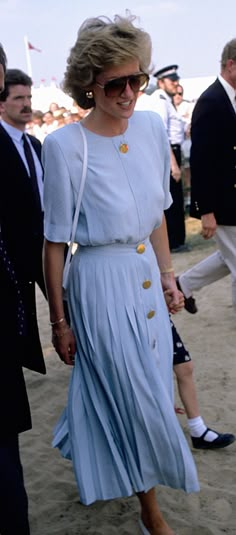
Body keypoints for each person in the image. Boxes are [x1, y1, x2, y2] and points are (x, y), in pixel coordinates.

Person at [42, 15, 199, 535]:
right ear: (89, 82)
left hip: (146, 279)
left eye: (138, 79)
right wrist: (59, 322)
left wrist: (170, 274)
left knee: (149, 384)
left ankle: (96, 445)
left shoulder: (153, 128)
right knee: (135, 396)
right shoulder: (65, 146)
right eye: (115, 83)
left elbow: (155, 214)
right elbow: (55, 241)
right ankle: (150, 511)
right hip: (99, 283)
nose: (129, 92)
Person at [0, 66, 46, 535]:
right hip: (12, 258)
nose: (26, 104)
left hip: (41, 251)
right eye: (18, 98)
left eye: (29, 96)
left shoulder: (36, 147)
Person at [177, 38, 236, 314]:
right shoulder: (211, 101)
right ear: (231, 65)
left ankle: (184, 284)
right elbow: (201, 161)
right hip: (224, 202)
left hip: (232, 199)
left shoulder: (230, 99)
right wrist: (206, 210)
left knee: (229, 257)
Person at [171, 319, 235, 449]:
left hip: (158, 316)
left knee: (185, 366)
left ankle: (197, 430)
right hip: (138, 316)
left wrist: (173, 298)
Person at [147, 65, 188, 253]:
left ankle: (177, 240)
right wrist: (173, 164)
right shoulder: (160, 100)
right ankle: (173, 241)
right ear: (161, 82)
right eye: (172, 80)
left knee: (176, 198)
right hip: (168, 152)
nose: (176, 83)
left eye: (176, 80)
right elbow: (162, 134)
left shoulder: (166, 100)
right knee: (172, 200)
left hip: (173, 150)